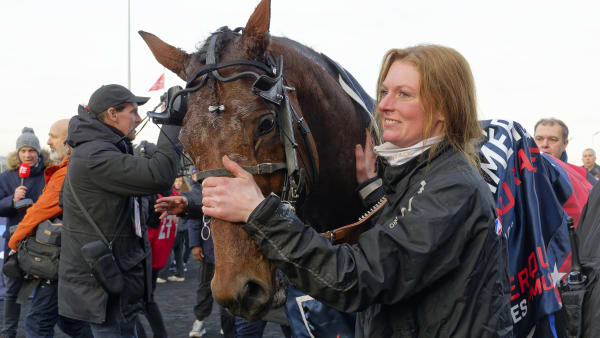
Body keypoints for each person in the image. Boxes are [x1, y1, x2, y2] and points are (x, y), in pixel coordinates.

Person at [160, 45, 514, 337]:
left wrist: (260, 213)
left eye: (404, 94)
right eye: (384, 92)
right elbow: (405, 241)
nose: (385, 105)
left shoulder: (453, 185)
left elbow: (359, 279)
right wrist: (374, 191)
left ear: (444, 109)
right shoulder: (419, 171)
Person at [58, 84, 181, 337]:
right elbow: (160, 175)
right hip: (104, 289)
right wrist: (172, 121)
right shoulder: (95, 154)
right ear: (112, 114)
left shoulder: (102, 150)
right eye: (133, 112)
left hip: (114, 283)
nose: (138, 119)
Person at [7, 119, 92, 338]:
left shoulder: (66, 172)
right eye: (23, 150)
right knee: (71, 322)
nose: (49, 142)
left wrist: (13, 243)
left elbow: (40, 211)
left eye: (53, 136)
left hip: (60, 256)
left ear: (69, 139)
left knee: (38, 323)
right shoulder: (73, 166)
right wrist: (12, 201)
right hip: (69, 255)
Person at [0, 127, 50, 338]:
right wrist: (12, 200)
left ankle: (37, 330)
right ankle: (8, 332)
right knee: (12, 289)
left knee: (42, 288)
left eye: (32, 150)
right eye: (24, 151)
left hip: (42, 240)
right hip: (15, 240)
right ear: (18, 153)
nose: (28, 155)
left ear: (38, 152)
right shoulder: (7, 177)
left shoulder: (49, 175)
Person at [534, 118, 597, 185]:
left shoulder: (582, 176)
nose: (544, 144)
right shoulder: (523, 174)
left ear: (565, 144)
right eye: (539, 139)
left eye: (553, 139)